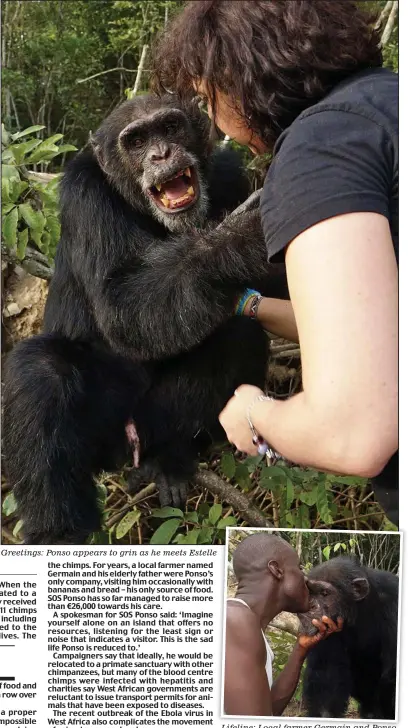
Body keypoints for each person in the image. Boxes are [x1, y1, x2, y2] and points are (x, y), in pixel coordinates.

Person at [152, 0, 398, 524]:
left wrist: (255, 413)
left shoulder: (319, 151)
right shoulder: (386, 104)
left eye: (207, 97)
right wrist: (248, 304)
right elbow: (377, 323)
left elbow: (352, 430)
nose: (216, 123)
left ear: (239, 79)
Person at [224, 532, 343, 716]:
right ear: (276, 570)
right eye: (298, 568)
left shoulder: (245, 624)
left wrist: (300, 649)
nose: (306, 579)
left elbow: (267, 711)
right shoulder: (236, 619)